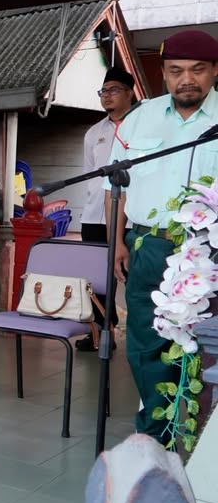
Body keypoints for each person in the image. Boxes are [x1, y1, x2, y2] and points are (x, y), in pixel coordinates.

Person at [108, 29, 218, 443]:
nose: (186, 79)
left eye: (197, 70)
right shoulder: (140, 117)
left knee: (207, 344)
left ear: (214, 72)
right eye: (176, 71)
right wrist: (117, 241)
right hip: (149, 245)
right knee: (145, 342)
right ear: (163, 73)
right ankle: (157, 433)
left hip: (209, 250)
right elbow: (114, 186)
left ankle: (205, 437)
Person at [77, 66, 138, 352]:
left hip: (131, 217)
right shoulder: (94, 133)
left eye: (114, 90)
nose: (107, 96)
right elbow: (90, 175)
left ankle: (141, 336)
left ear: (130, 92)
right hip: (94, 217)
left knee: (132, 276)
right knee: (95, 279)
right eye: (103, 91)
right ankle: (103, 332)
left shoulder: (142, 123)